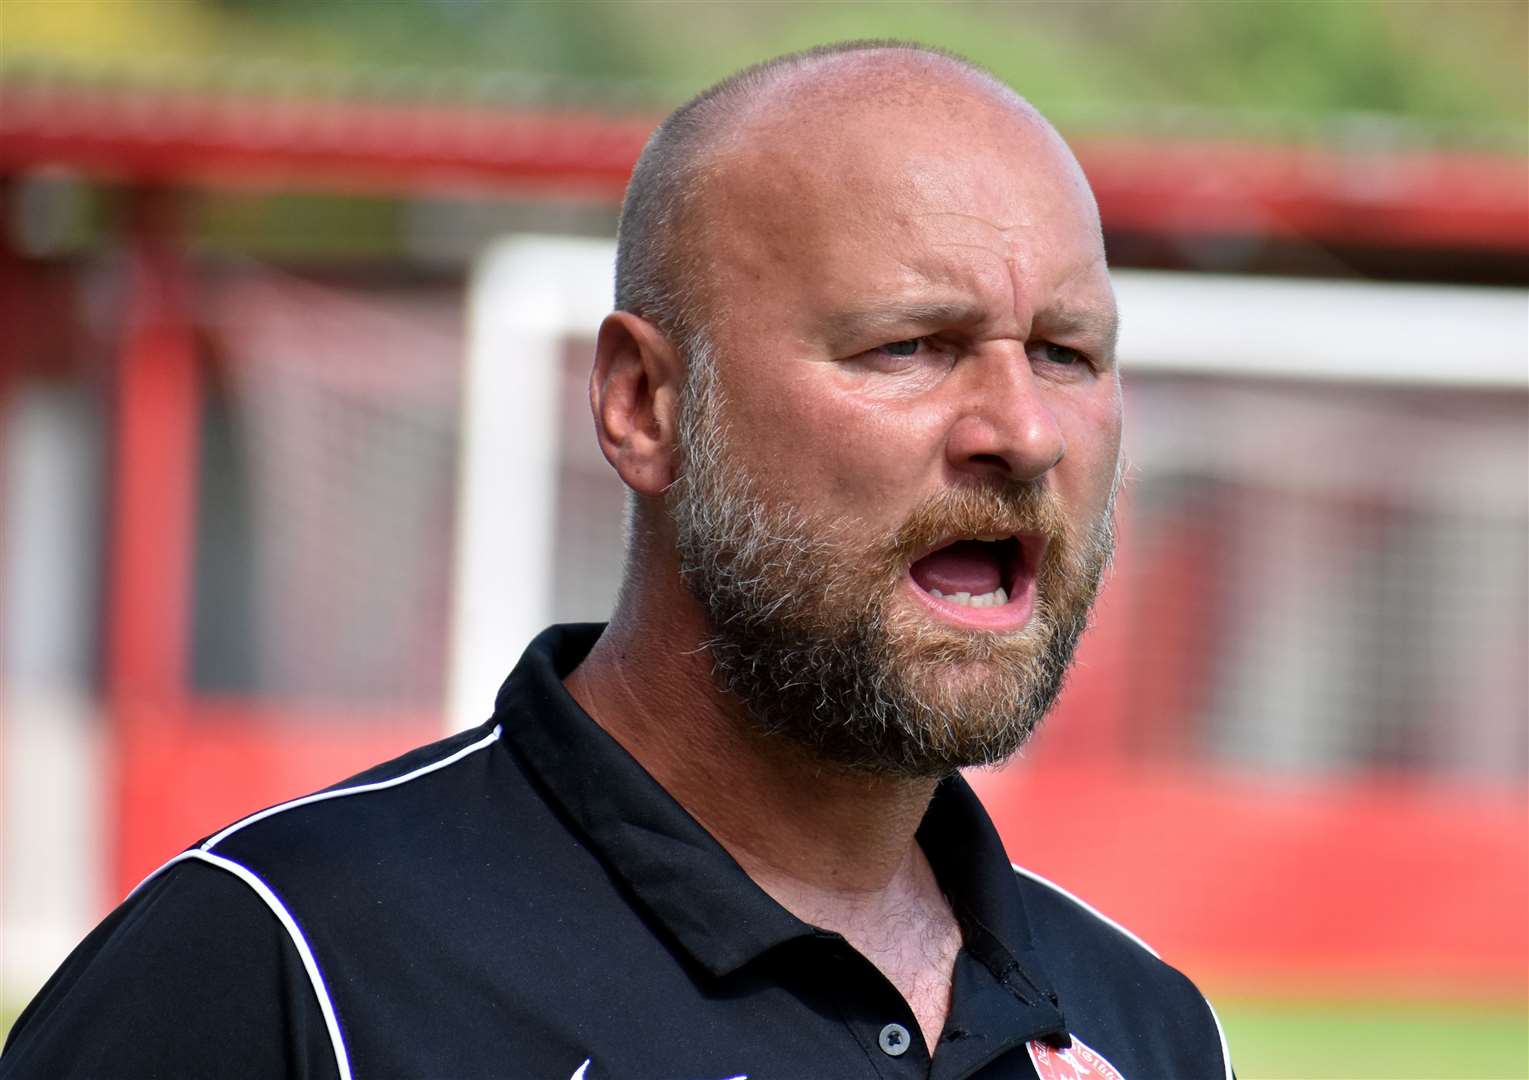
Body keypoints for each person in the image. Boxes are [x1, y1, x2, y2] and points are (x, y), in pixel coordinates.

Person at [3, 42, 1233, 1080]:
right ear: (643, 403)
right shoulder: (281, 967)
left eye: (1066, 353)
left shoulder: (1147, 1027)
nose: (1019, 432)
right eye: (910, 346)